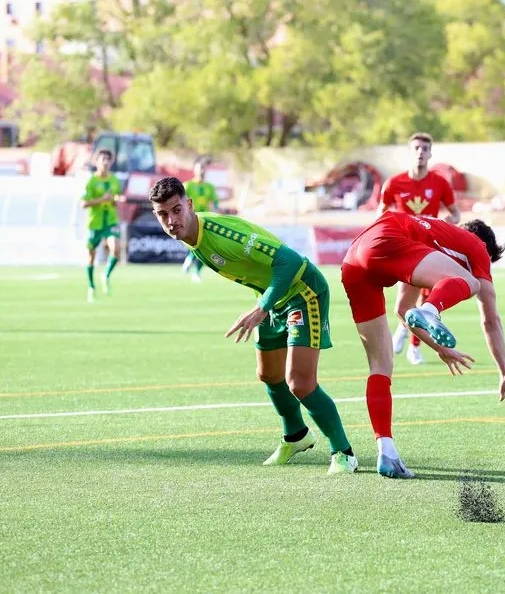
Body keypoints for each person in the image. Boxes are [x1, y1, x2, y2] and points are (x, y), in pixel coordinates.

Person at [149, 176, 359, 474]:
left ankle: (344, 452)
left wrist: (261, 308)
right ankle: (296, 436)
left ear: (190, 205)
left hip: (302, 291)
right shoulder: (192, 237)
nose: (171, 220)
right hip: (273, 298)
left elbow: (289, 261)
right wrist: (266, 303)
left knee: (300, 383)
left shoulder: (221, 234)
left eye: (176, 210)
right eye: (163, 214)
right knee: (269, 373)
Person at [340, 211, 505, 479]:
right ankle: (432, 309)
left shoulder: (427, 240)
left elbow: (404, 309)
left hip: (354, 258)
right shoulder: (476, 247)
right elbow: (490, 320)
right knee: (471, 283)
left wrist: (439, 348)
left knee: (380, 364)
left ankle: (387, 453)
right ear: (486, 249)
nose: (485, 269)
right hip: (384, 239)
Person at [378, 133, 462, 366]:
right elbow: (380, 214)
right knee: (407, 301)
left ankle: (413, 346)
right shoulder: (394, 183)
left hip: (428, 249)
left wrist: (442, 226)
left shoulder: (440, 183)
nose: (421, 152)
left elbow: (455, 213)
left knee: (427, 299)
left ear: (431, 153)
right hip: (403, 249)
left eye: (425, 148)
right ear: (410, 151)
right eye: (416, 148)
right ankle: (404, 330)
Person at [81, 149, 122, 303]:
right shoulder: (91, 181)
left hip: (110, 220)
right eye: (102, 159)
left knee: (116, 249)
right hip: (95, 223)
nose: (105, 162)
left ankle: (106, 275)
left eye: (108, 159)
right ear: (96, 161)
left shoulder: (115, 180)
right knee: (91, 256)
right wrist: (101, 199)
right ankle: (91, 287)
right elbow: (84, 203)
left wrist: (117, 199)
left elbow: (117, 197)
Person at [182, 159, 220, 283]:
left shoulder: (210, 187)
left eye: (203, 169)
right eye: (199, 169)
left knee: (206, 247)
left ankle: (195, 269)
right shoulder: (188, 185)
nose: (201, 171)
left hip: (205, 220)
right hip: (191, 219)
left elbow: (215, 203)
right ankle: (190, 259)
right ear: (194, 170)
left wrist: (217, 214)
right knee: (197, 243)